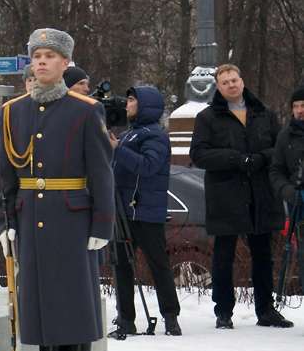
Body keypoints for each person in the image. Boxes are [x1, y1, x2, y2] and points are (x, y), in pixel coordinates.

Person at [0, 28, 113, 351]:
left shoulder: (84, 109)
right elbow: (6, 177)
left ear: (64, 64)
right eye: (37, 56)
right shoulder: (13, 111)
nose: (42, 61)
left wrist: (101, 226)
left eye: (50, 56)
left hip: (73, 219)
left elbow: (101, 172)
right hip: (32, 218)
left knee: (75, 302)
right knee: (42, 302)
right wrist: (5, 221)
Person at [189, 63, 293, 329]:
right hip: (226, 195)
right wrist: (235, 159)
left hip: (261, 194)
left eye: (234, 80)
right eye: (225, 82)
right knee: (223, 256)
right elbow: (199, 154)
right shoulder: (207, 118)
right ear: (219, 88)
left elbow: (280, 149)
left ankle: (266, 310)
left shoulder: (264, 113)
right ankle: (223, 312)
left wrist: (258, 159)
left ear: (242, 81)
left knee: (263, 255)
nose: (231, 85)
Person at [108, 86, 181, 336]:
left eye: (131, 100)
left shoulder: (156, 136)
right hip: (123, 211)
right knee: (121, 266)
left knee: (158, 264)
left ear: (145, 105)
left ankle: (171, 317)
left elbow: (148, 166)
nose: (127, 105)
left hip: (147, 212)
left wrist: (118, 149)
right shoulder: (130, 134)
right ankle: (126, 318)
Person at [269, 85, 304, 229]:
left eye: (303, 105)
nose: (300, 110)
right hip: (298, 203)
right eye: (295, 106)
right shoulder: (285, 136)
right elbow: (276, 170)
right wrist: (288, 191)